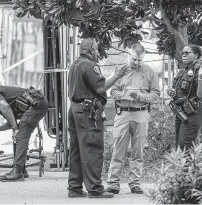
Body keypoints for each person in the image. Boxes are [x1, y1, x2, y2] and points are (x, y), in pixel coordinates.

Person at [67, 38, 126, 198]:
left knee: (77, 150)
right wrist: (117, 75)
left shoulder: (75, 64)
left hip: (74, 109)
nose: (98, 52)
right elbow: (101, 87)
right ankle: (95, 188)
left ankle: (74, 187)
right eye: (96, 49)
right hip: (87, 112)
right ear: (91, 50)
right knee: (92, 148)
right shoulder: (89, 65)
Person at [106, 43, 160, 194]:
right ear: (129, 55)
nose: (136, 63)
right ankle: (113, 182)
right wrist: (122, 95)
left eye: (139, 60)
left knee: (139, 150)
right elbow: (113, 91)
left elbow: (156, 94)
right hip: (123, 113)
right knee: (118, 149)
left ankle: (135, 182)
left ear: (143, 58)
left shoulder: (150, 73)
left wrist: (141, 96)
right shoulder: (121, 71)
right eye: (134, 59)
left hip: (142, 114)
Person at [0, 85, 49, 181]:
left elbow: (5, 106)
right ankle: (21, 170)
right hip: (37, 104)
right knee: (17, 135)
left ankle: (17, 172)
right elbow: (11, 122)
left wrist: (15, 129)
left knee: (20, 135)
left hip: (36, 104)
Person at [167, 44, 202, 151]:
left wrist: (200, 77)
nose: (183, 55)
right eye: (183, 53)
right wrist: (171, 92)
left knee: (184, 146)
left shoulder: (201, 70)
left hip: (193, 113)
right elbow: (179, 91)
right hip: (181, 112)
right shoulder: (183, 70)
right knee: (179, 145)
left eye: (187, 53)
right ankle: (183, 167)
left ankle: (188, 168)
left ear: (195, 55)